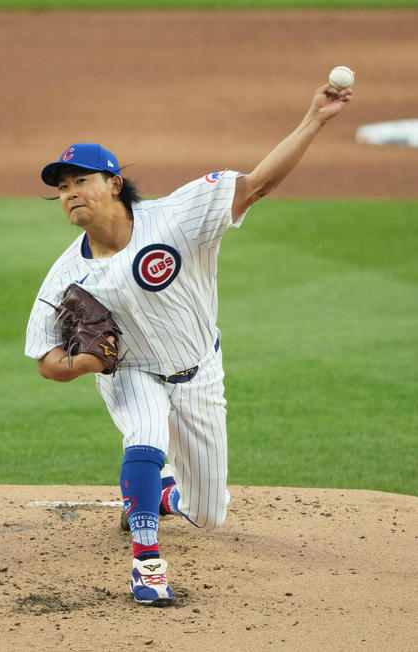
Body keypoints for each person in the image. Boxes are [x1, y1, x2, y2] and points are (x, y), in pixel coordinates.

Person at [25, 82, 352, 607]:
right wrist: (84, 362)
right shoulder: (65, 276)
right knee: (145, 436)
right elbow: (46, 360)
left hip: (201, 370)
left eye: (81, 180)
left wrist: (315, 118)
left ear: (114, 183)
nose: (70, 193)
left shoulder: (177, 217)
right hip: (131, 371)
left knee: (208, 512)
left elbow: (258, 185)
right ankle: (147, 565)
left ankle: (161, 495)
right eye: (62, 187)